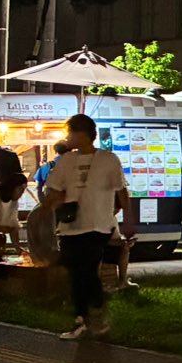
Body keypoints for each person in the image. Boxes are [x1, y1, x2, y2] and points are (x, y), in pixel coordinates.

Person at [40, 113, 133, 339]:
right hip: (70, 226)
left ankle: (94, 314)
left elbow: (121, 190)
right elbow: (53, 189)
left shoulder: (108, 159)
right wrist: (54, 202)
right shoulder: (66, 161)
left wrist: (129, 219)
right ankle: (83, 318)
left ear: (82, 134)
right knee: (76, 272)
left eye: (70, 133)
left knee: (87, 269)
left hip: (98, 225)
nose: (68, 137)